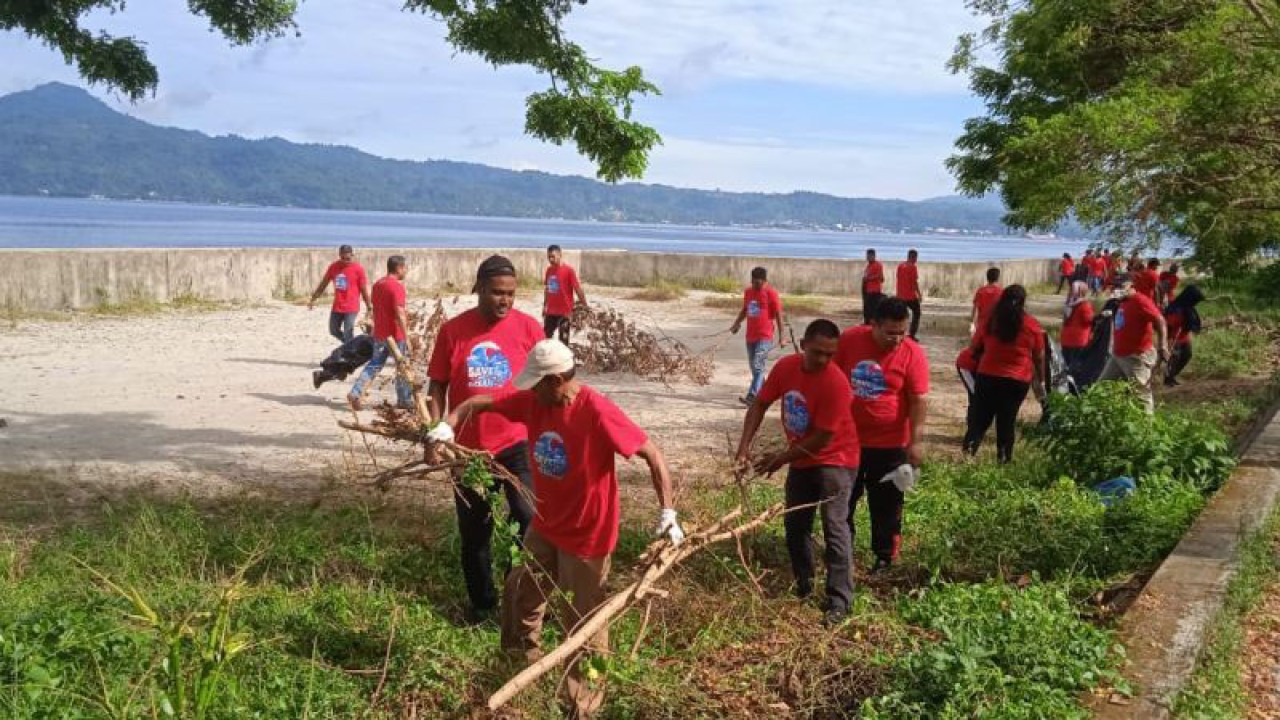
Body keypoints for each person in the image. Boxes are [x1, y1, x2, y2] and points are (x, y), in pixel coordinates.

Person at [432, 339, 682, 717]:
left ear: (557, 380)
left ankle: (584, 704)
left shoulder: (596, 410)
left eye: (537, 383)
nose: (530, 390)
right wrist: (447, 425)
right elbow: (478, 402)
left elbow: (653, 454)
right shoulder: (535, 402)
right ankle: (520, 667)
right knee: (520, 592)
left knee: (585, 627)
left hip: (588, 537)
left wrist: (668, 512)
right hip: (546, 526)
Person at [425, 255, 544, 622]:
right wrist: (437, 432)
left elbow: (546, 385)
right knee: (475, 532)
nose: (504, 301)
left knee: (527, 518)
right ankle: (481, 605)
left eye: (510, 294)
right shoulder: (453, 331)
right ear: (478, 289)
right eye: (496, 293)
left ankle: (516, 593)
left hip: (517, 444)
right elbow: (437, 385)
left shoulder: (529, 329)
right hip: (468, 450)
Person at [735, 319, 859, 626]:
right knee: (795, 525)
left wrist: (780, 458)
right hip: (803, 458)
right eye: (817, 352)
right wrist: (743, 447)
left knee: (835, 526)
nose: (823, 360)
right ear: (802, 345)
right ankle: (803, 585)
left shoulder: (836, 383)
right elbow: (760, 404)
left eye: (830, 354)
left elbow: (822, 439)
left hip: (837, 459)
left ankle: (839, 600)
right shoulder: (785, 368)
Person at [835, 298, 929, 573]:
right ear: (873, 325)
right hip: (848, 442)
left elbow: (918, 399)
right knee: (844, 500)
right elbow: (831, 378)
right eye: (890, 333)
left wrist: (916, 441)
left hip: (891, 445)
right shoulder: (850, 340)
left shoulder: (913, 353)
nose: (897, 339)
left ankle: (885, 557)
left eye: (903, 332)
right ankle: (844, 554)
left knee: (887, 505)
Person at [962, 285, 1046, 463]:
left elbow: (974, 347)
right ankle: (1003, 460)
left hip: (988, 376)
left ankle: (968, 456)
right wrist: (1041, 378)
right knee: (1007, 421)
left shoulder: (991, 322)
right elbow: (1039, 356)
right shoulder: (1032, 325)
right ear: (1023, 302)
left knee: (979, 419)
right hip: (1017, 379)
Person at [348, 256, 412, 411]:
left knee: (375, 364)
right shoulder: (396, 287)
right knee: (402, 366)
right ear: (399, 268)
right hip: (396, 335)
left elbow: (375, 308)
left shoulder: (378, 285)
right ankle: (404, 400)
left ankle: (356, 392)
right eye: (405, 268)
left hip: (380, 333)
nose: (406, 271)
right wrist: (407, 336)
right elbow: (399, 313)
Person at [1099, 274, 1169, 413]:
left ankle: (1147, 429)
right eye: (1115, 286)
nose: (1117, 289)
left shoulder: (1141, 301)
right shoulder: (1122, 301)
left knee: (1141, 396)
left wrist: (1163, 345)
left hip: (1136, 357)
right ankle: (1108, 420)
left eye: (1121, 286)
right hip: (1118, 356)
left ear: (1131, 286)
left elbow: (1160, 320)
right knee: (1102, 388)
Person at [730, 267, 784, 405]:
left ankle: (752, 396)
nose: (756, 286)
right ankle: (766, 390)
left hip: (765, 336)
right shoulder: (748, 292)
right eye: (754, 282)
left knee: (758, 365)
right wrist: (736, 323)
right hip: (750, 336)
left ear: (765, 281)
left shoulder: (771, 293)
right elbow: (745, 309)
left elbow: (778, 315)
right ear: (751, 280)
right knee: (755, 368)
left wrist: (781, 336)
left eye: (759, 283)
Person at [307, 244, 372, 343]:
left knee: (348, 332)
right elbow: (323, 284)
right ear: (339, 255)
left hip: (351, 306)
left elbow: (363, 289)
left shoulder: (358, 269)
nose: (346, 260)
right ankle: (350, 345)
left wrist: (369, 306)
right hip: (337, 305)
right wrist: (314, 298)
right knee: (333, 330)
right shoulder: (334, 267)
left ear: (352, 255)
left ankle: (349, 349)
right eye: (343, 257)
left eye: (348, 258)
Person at [542, 244, 587, 344]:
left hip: (565, 312)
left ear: (560, 255)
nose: (551, 259)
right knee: (545, 337)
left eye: (553, 256)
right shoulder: (549, 270)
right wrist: (545, 305)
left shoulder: (568, 271)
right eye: (549, 257)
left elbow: (578, 289)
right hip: (551, 311)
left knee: (563, 340)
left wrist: (584, 305)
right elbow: (547, 289)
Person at [1163, 285, 1204, 387]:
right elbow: (1168, 327)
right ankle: (1168, 380)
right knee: (1173, 359)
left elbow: (1190, 323)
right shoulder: (1175, 309)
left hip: (1184, 338)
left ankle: (1172, 376)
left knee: (1186, 356)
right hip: (1174, 339)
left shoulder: (1188, 308)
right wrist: (1168, 343)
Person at [1060, 280, 1094, 367]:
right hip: (1079, 340)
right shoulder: (1085, 305)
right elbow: (1088, 320)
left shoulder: (1068, 303)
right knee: (1076, 366)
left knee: (1066, 364)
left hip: (1066, 339)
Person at [895, 249, 923, 339]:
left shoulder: (900, 266)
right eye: (916, 257)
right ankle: (912, 334)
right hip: (910, 296)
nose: (916, 260)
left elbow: (898, 278)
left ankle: (899, 331)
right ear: (914, 257)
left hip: (900, 295)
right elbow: (914, 282)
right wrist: (919, 294)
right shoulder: (913, 267)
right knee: (917, 313)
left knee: (901, 315)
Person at [969, 267, 1002, 338]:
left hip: (981, 325)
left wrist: (972, 325)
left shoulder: (980, 291)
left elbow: (975, 310)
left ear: (987, 277)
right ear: (997, 278)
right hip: (995, 325)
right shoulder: (1000, 292)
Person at [861, 248, 885, 324]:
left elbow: (880, 277)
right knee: (867, 310)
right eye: (867, 256)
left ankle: (870, 324)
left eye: (869, 256)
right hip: (868, 291)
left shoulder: (877, 265)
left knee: (872, 311)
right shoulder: (869, 266)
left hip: (874, 292)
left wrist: (869, 278)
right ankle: (867, 323)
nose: (867, 257)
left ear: (873, 256)